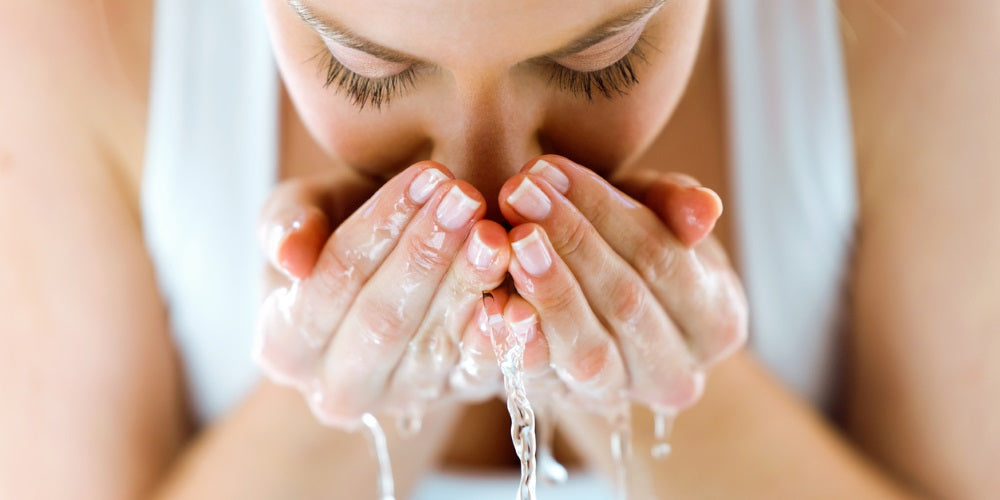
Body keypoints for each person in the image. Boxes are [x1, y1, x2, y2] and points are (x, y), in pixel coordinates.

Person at [1, 0, 997, 498]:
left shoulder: (920, 31)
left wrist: (654, 387)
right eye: (366, 69)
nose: (485, 186)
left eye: (599, 61)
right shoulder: (79, 36)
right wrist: (348, 410)